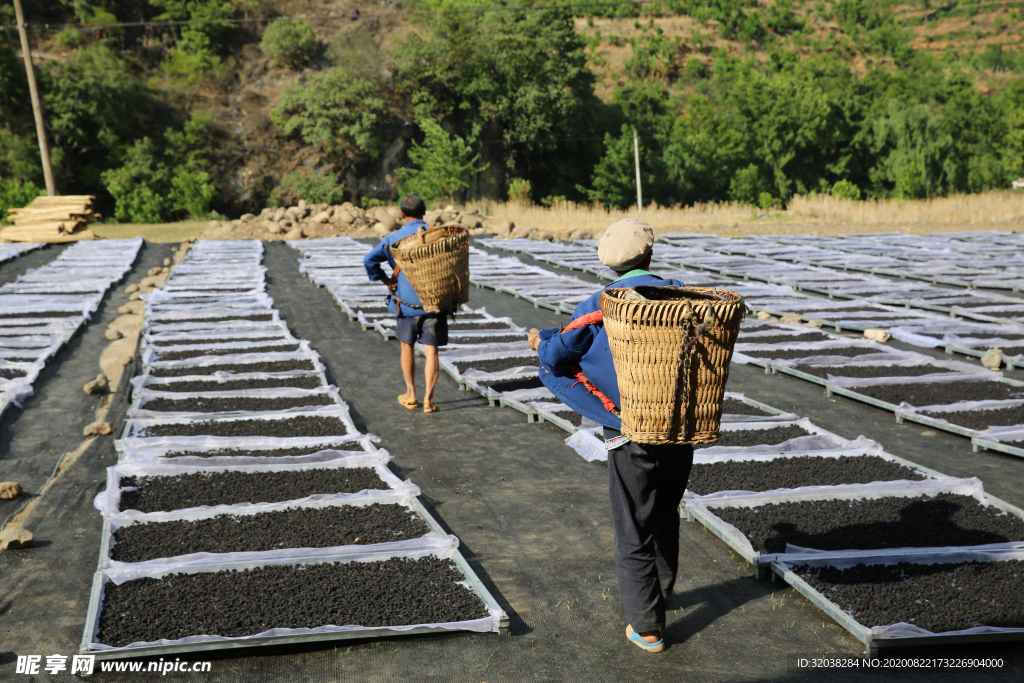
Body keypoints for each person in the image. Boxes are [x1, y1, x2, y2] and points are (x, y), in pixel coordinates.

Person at [527, 218, 693, 653]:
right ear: (650, 255)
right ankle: (661, 592)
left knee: (633, 522)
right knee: (664, 510)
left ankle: (647, 627)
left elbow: (557, 353)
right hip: (679, 428)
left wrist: (539, 342)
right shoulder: (681, 295)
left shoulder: (603, 302)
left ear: (609, 265)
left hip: (628, 429)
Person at [363, 193, 447, 413]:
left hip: (407, 303)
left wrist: (386, 280)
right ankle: (428, 400)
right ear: (424, 212)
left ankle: (411, 395)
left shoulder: (393, 239)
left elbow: (369, 260)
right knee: (431, 350)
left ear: (401, 214)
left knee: (406, 345)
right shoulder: (437, 235)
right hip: (434, 301)